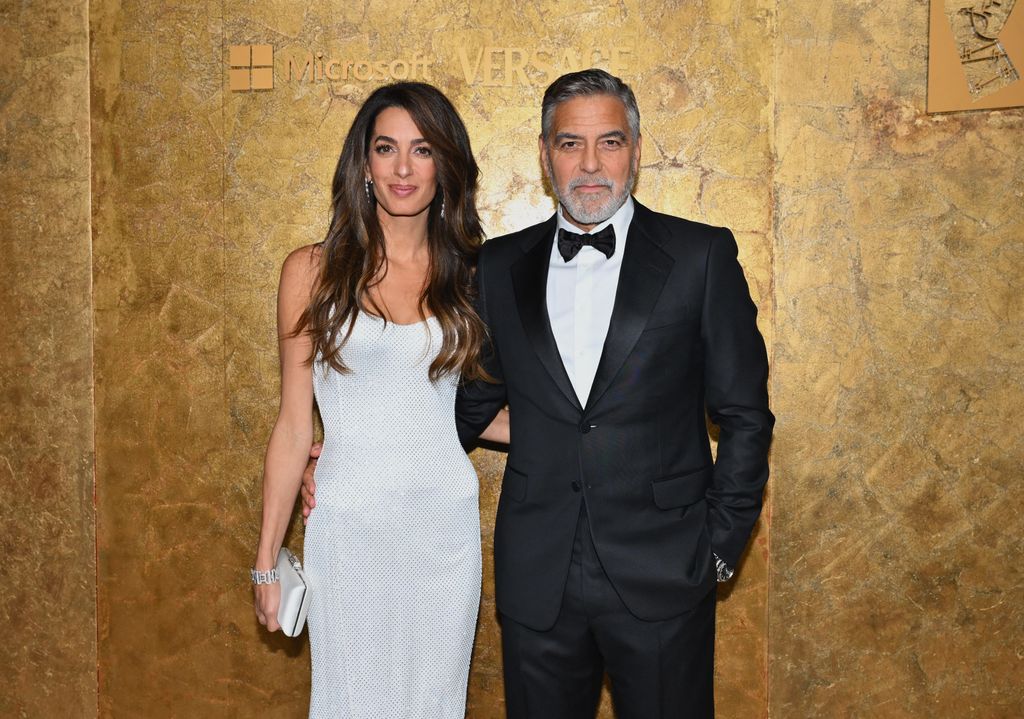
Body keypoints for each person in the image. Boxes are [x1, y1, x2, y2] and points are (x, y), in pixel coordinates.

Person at [304, 68, 773, 718]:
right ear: (545, 152)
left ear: (635, 151)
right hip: (538, 581)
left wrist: (720, 547)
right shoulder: (498, 266)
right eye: (569, 143)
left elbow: (745, 414)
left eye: (608, 142)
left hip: (667, 573)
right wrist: (344, 454)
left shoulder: (701, 256)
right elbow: (460, 407)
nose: (588, 163)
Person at [251, 81, 508, 719]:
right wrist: (264, 561)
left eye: (422, 150)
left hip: (440, 526)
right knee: (348, 700)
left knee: (432, 703)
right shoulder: (311, 272)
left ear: (445, 166)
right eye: (386, 147)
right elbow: (291, 425)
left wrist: (593, 434)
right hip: (349, 522)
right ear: (363, 164)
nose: (401, 167)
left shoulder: (476, 277)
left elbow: (475, 415)